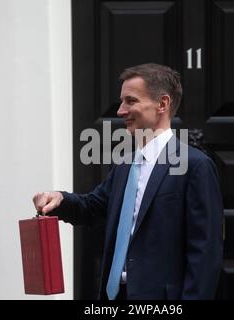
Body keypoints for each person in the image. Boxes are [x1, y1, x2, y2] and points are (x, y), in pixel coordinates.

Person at [32, 63, 223, 300]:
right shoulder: (125, 166)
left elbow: (205, 253)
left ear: (162, 104)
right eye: (122, 101)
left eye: (130, 101)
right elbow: (92, 207)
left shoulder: (195, 166)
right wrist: (59, 200)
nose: (121, 111)